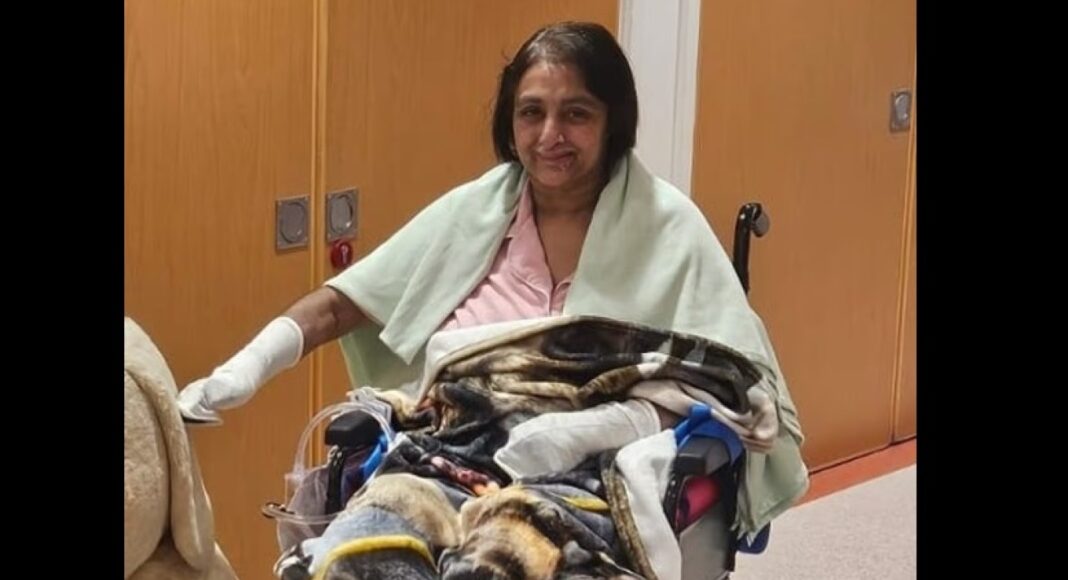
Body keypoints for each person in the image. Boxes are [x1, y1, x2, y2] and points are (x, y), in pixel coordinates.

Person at [177, 20, 806, 539]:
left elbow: (739, 385)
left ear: (613, 121)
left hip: (592, 488)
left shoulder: (669, 227)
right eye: (532, 112)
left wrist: (595, 430)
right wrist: (248, 367)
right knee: (359, 547)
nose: (550, 136)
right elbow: (344, 303)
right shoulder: (474, 212)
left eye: (576, 113)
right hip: (446, 461)